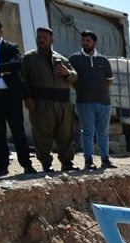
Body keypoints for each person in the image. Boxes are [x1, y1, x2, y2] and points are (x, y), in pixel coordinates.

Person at [0, 16, 35, 176]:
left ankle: (27, 164)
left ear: (0, 29)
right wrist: (3, 69)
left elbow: (17, 64)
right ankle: (2, 166)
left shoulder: (11, 47)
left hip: (11, 96)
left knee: (18, 131)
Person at [22, 26, 78, 172]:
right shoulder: (29, 58)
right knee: (42, 134)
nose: (41, 40)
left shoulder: (61, 59)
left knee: (65, 134)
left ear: (52, 40)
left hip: (63, 103)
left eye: (45, 38)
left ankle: (67, 163)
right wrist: (27, 98)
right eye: (39, 37)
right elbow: (23, 81)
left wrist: (67, 73)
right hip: (41, 103)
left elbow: (75, 76)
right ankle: (46, 164)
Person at [68, 29, 114, 170]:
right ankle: (89, 160)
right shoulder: (74, 59)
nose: (85, 43)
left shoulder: (103, 60)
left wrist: (100, 91)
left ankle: (105, 159)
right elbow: (70, 79)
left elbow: (109, 80)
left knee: (103, 132)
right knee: (87, 131)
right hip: (84, 101)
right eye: (83, 40)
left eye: (88, 40)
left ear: (95, 43)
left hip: (103, 102)